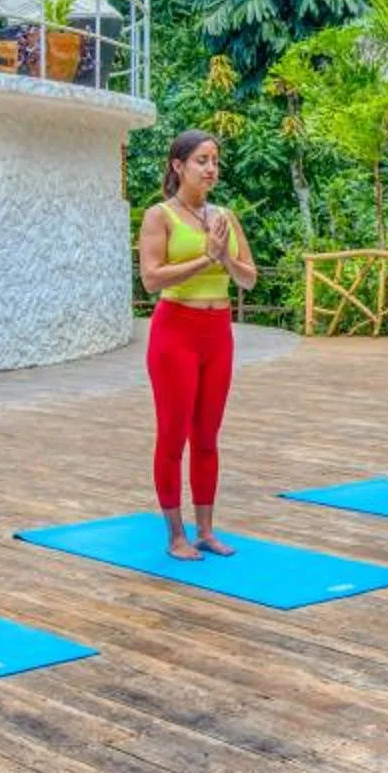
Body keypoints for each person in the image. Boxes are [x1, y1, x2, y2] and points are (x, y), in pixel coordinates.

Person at [138, 130, 257, 560]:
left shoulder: (225, 216)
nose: (211, 168)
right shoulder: (160, 216)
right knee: (173, 434)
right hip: (176, 331)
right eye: (201, 160)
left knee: (207, 435)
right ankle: (175, 534)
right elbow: (151, 279)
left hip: (217, 331)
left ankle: (206, 529)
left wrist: (224, 256)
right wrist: (206, 258)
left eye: (215, 161)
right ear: (178, 166)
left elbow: (249, 278)